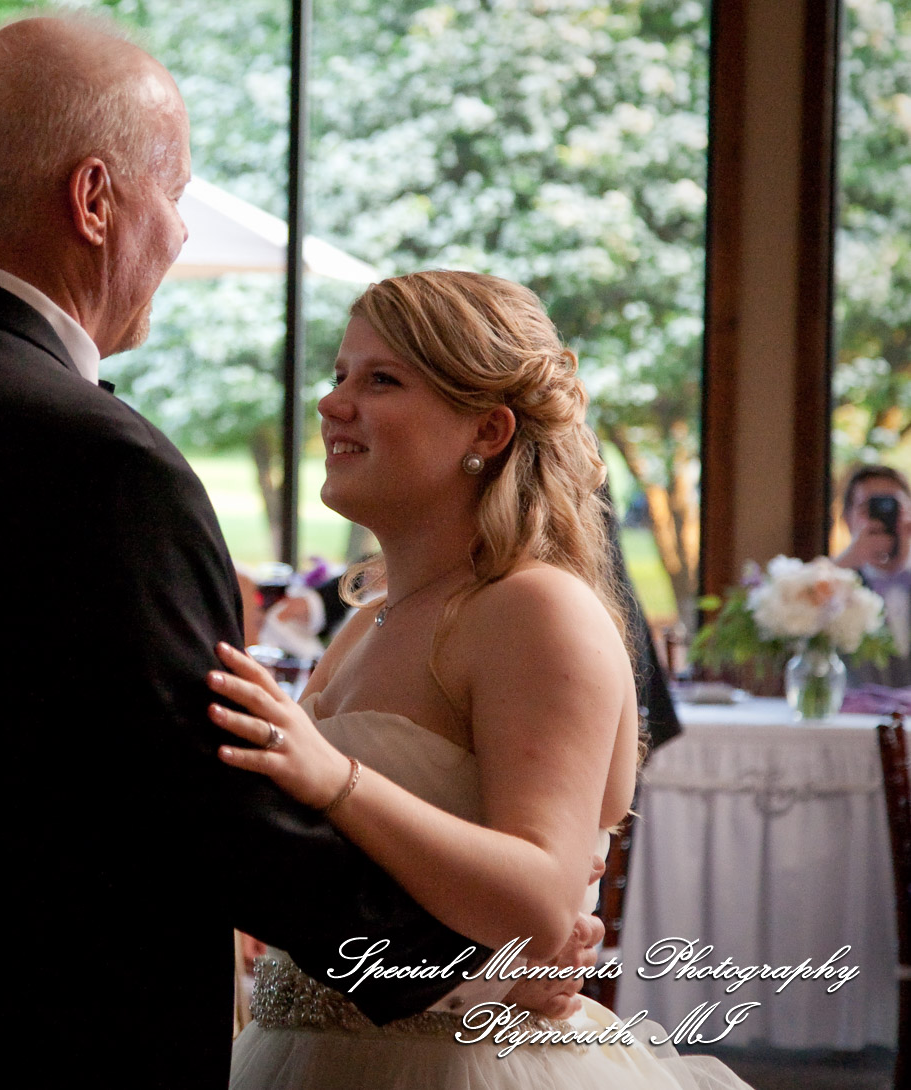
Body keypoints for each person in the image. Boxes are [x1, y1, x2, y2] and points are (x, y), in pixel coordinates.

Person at [0, 14, 597, 1090]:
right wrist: (455, 961)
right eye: (173, 195)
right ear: (93, 200)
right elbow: (206, 800)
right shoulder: (100, 463)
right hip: (39, 1043)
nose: (174, 236)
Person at [210, 271, 753, 1089]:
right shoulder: (367, 620)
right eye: (338, 376)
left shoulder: (533, 608)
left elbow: (537, 905)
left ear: (488, 430)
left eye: (380, 379)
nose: (331, 405)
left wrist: (333, 778)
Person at [834, 463, 911, 687]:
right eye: (870, 507)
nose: (883, 517)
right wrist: (848, 561)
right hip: (852, 718)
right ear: (847, 519)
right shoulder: (831, 585)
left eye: (893, 506)